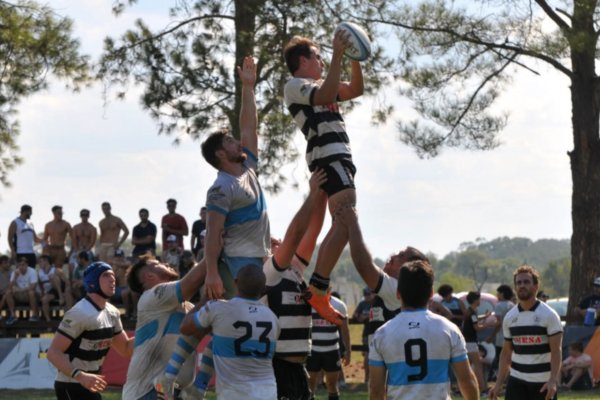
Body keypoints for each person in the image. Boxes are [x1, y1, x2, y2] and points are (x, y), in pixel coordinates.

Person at [154, 169, 327, 400]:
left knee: (214, 332)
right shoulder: (269, 272)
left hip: (294, 365)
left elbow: (312, 233)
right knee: (211, 328)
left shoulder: (293, 270)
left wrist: (322, 195)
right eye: (271, 241)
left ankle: (194, 386)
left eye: (276, 239)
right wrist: (314, 193)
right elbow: (296, 233)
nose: (274, 240)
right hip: (276, 366)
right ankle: (185, 381)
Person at [283, 30, 364, 325]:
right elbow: (327, 94)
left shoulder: (319, 82)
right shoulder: (296, 85)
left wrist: (355, 56)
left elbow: (355, 89)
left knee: (343, 224)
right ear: (303, 60)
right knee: (347, 219)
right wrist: (340, 55)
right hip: (328, 157)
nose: (322, 60)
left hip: (339, 156)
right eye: (318, 55)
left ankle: (318, 286)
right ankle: (317, 287)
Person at [202, 56, 270, 299]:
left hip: (259, 256)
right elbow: (212, 232)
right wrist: (211, 273)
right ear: (221, 154)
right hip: (238, 262)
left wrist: (248, 88)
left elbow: (249, 127)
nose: (238, 142)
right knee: (243, 318)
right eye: (230, 142)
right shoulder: (221, 187)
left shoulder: (247, 166)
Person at [368, 260, 479, 399]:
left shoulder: (382, 334)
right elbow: (466, 381)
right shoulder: (449, 329)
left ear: (398, 293)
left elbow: (376, 389)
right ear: (431, 293)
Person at [179, 265, 280, 400]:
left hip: (234, 394)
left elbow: (185, 327)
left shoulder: (218, 309)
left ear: (235, 282)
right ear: (263, 289)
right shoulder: (272, 318)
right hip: (268, 392)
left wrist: (205, 300)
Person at [121, 254, 206, 400]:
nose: (166, 263)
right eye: (157, 263)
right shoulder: (151, 296)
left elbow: (213, 303)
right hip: (147, 393)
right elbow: (192, 281)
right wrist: (213, 253)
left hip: (170, 392)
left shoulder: (186, 306)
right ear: (149, 275)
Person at [47, 262, 133, 400]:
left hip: (90, 383)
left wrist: (152, 331)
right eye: (106, 275)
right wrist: (80, 376)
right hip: (71, 384)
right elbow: (52, 353)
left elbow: (125, 348)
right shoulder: (79, 313)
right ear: (92, 282)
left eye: (113, 276)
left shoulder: (113, 312)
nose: (113, 279)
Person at [489, 265, 563, 400]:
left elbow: (556, 351)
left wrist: (553, 380)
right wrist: (498, 384)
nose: (522, 285)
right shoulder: (510, 317)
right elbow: (506, 353)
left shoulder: (549, 315)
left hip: (542, 383)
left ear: (536, 286)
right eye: (519, 283)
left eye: (526, 282)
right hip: (516, 381)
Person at [306, 292, 350, 400]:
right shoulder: (307, 303)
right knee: (310, 385)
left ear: (329, 287)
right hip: (312, 350)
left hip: (332, 350)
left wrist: (348, 351)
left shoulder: (339, 305)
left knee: (332, 385)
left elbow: (345, 331)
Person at [485, 284, 515, 380]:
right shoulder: (512, 305)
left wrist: (491, 335)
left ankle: (495, 378)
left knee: (500, 359)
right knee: (511, 359)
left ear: (502, 294)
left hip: (501, 338)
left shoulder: (499, 305)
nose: (497, 295)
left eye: (498, 293)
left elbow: (499, 323)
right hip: (512, 337)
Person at [463, 291, 489, 395]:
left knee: (467, 366)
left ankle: (463, 388)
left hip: (467, 342)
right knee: (478, 366)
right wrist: (488, 324)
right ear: (475, 300)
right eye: (479, 299)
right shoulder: (472, 312)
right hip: (471, 343)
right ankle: (483, 390)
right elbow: (477, 327)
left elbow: (474, 319)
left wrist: (485, 316)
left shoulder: (470, 311)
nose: (480, 300)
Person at [5, 256, 39, 324]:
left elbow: (33, 286)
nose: (21, 267)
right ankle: (13, 315)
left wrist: (20, 290)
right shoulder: (15, 273)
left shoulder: (32, 271)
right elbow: (9, 287)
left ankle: (34, 315)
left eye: (23, 265)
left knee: (31, 292)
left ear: (27, 265)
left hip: (28, 294)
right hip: (19, 294)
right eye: (19, 265)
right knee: (8, 292)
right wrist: (15, 277)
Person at [38, 255, 72, 322]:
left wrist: (66, 291)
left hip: (61, 289)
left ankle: (61, 297)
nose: (39, 263)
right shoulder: (40, 273)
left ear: (46, 262)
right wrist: (42, 294)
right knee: (44, 300)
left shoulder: (56, 270)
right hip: (52, 291)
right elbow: (40, 285)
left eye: (40, 262)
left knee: (52, 277)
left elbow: (67, 282)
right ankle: (48, 320)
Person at [42, 205, 72, 273]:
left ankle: (59, 282)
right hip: (51, 249)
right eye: (59, 213)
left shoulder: (66, 224)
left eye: (62, 213)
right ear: (54, 213)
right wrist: (44, 250)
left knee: (58, 269)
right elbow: (44, 239)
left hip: (60, 249)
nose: (61, 215)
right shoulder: (48, 225)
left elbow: (73, 238)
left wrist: (71, 251)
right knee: (46, 269)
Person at [352, 287, 373, 382]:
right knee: (367, 355)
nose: (367, 296)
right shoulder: (362, 304)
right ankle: (367, 378)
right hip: (366, 333)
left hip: (377, 333)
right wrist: (359, 316)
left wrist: (367, 316)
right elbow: (355, 315)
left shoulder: (376, 302)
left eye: (368, 294)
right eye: (365, 294)